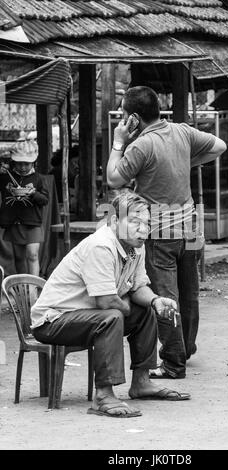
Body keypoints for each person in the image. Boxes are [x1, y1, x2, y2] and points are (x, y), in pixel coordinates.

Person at [30, 192, 190, 418]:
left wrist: (155, 300)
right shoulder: (101, 245)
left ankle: (141, 383)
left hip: (87, 317)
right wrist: (125, 304)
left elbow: (138, 287)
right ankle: (103, 396)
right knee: (112, 315)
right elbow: (105, 301)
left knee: (146, 311)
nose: (143, 230)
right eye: (135, 222)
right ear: (115, 221)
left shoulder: (137, 246)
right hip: (53, 321)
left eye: (147, 224)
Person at [107, 86, 227, 379]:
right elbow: (220, 146)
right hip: (191, 230)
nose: (124, 120)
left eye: (125, 115)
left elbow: (113, 178)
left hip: (161, 231)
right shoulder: (182, 131)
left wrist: (117, 142)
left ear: (134, 118)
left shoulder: (141, 146)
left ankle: (174, 363)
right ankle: (186, 347)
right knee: (189, 293)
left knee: (165, 295)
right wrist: (187, 161)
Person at [0, 138, 48, 276]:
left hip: (32, 222)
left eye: (26, 164)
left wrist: (34, 193)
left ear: (33, 162)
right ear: (13, 161)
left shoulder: (39, 179)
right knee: (19, 257)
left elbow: (45, 200)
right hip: (14, 222)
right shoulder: (6, 176)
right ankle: (23, 287)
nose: (22, 167)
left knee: (32, 255)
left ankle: (33, 287)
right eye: (19, 163)